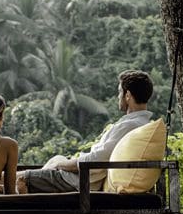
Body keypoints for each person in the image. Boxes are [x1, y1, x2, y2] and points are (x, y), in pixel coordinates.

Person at [16, 70, 154, 193]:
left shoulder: (130, 125)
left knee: (14, 178)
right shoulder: (139, 124)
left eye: (119, 92)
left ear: (128, 95)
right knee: (55, 159)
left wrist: (63, 165)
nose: (118, 96)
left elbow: (97, 159)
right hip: (82, 177)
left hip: (80, 181)